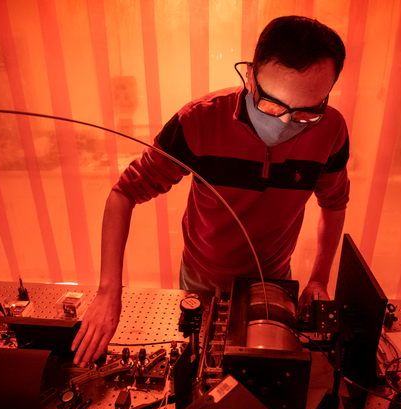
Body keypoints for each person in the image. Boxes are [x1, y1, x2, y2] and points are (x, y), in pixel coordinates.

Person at [72, 15, 349, 366]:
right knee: (201, 368)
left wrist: (320, 279)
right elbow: (124, 193)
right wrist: (109, 291)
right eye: (271, 105)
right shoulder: (198, 121)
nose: (283, 124)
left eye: (305, 115)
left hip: (273, 278)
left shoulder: (332, 130)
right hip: (201, 276)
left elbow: (334, 202)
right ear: (250, 75)